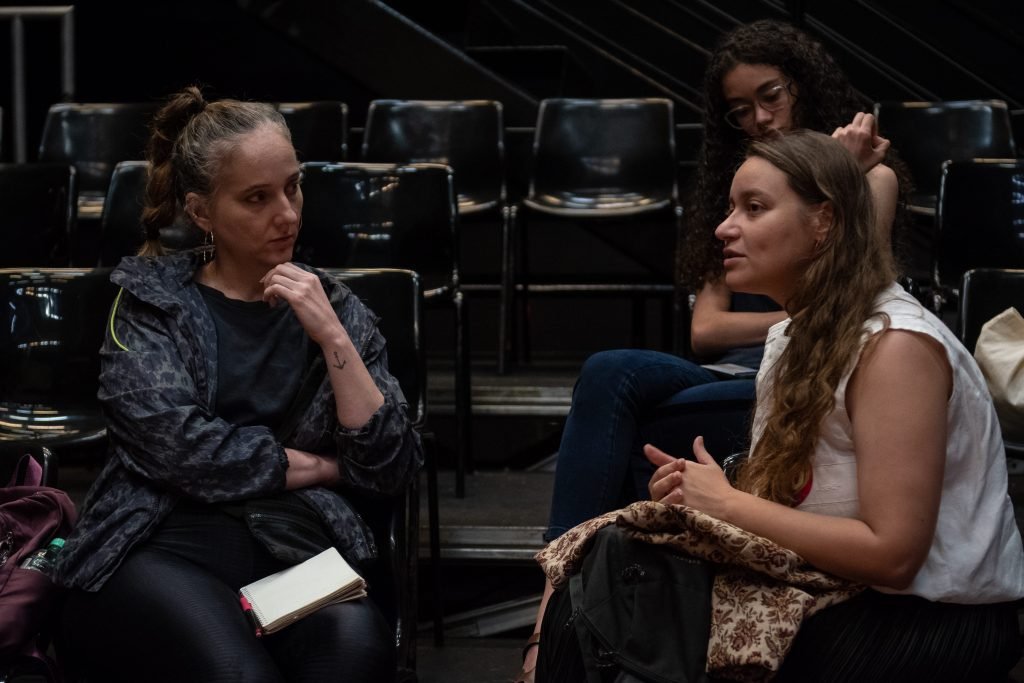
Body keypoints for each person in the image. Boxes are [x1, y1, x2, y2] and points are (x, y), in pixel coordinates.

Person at [536, 129, 1024, 682]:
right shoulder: (794, 335)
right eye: (730, 208)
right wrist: (699, 501)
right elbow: (809, 512)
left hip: (930, 619)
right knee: (620, 577)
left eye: (754, 208)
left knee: (654, 625)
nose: (725, 228)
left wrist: (729, 507)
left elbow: (893, 555)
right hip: (839, 592)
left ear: (824, 223)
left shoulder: (896, 346)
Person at [514, 19, 910, 682]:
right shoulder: (741, 183)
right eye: (740, 109)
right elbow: (704, 329)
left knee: (632, 433)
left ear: (802, 86)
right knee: (609, 372)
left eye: (771, 96)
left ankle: (577, 633)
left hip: (804, 376)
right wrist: (782, 317)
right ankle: (553, 610)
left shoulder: (867, 178)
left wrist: (843, 174)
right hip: (726, 373)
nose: (758, 117)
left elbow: (849, 292)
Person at [54, 86, 424, 682]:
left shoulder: (338, 309)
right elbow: (183, 451)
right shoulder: (152, 304)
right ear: (202, 212)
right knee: (236, 672)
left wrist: (332, 335)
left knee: (355, 651)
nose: (288, 214)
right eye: (257, 197)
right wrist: (327, 466)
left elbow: (390, 467)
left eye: (293, 186)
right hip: (160, 540)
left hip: (292, 547)